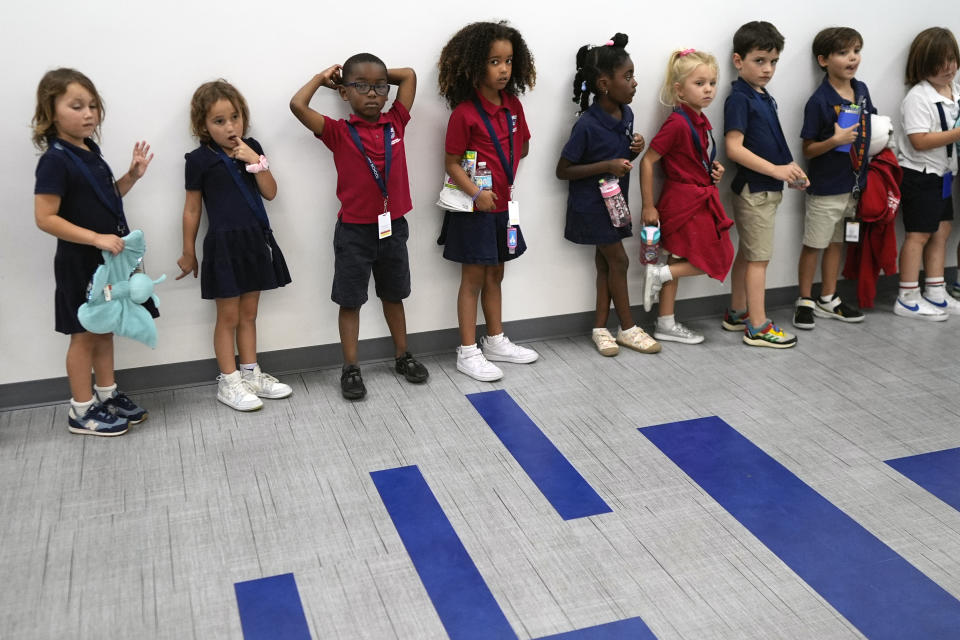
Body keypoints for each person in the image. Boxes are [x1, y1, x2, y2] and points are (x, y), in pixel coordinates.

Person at [290, 55, 428, 399]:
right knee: (350, 301)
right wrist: (325, 77)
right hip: (354, 232)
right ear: (344, 93)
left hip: (393, 227)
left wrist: (372, 73)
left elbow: (409, 75)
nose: (372, 93)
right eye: (361, 86)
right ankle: (350, 368)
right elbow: (297, 104)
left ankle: (402, 356)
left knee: (394, 295)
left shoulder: (396, 122)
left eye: (379, 86)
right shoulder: (338, 132)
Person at [32, 68, 154, 436]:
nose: (88, 114)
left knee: (105, 329)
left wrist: (131, 176)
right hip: (81, 261)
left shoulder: (89, 151)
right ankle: (81, 411)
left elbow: (104, 199)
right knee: (84, 333)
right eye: (76, 106)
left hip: (107, 262)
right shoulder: (54, 160)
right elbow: (45, 218)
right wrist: (96, 238)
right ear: (51, 113)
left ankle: (107, 395)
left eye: (93, 106)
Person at [177, 80, 293, 411]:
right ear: (203, 125)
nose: (231, 127)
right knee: (227, 315)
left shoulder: (252, 146)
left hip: (254, 241)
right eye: (219, 121)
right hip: (224, 245)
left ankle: (251, 373)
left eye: (235, 117)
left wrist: (255, 161)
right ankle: (229, 381)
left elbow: (270, 192)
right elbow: (192, 209)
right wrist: (188, 250)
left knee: (250, 313)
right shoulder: (199, 160)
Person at [437, 21, 540, 381]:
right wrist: (477, 192)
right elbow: (450, 162)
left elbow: (523, 146)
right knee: (473, 278)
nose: (504, 69)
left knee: (497, 272)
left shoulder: (513, 105)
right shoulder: (464, 113)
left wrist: (502, 176)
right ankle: (467, 351)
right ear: (474, 65)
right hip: (474, 209)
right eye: (495, 61)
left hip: (503, 208)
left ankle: (494, 340)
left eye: (509, 61)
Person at [556, 33, 661, 357]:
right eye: (627, 76)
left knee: (605, 265)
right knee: (620, 260)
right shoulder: (586, 125)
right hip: (592, 208)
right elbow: (563, 170)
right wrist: (607, 165)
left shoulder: (626, 115)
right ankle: (628, 327)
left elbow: (622, 152)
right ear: (604, 83)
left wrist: (636, 145)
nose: (635, 83)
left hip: (615, 206)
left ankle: (601, 328)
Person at [638, 49, 733, 345]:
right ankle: (661, 273)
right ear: (679, 90)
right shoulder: (678, 123)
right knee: (719, 255)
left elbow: (691, 159)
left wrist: (712, 170)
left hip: (696, 195)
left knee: (678, 255)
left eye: (712, 83)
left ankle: (665, 322)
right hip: (684, 201)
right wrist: (648, 204)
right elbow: (648, 161)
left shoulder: (699, 121)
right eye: (700, 83)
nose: (708, 89)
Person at [723, 21, 804, 348]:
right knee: (759, 259)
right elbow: (734, 148)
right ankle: (757, 326)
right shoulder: (739, 98)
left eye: (773, 61)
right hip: (754, 190)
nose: (768, 69)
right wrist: (775, 170)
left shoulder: (762, 96)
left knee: (749, 252)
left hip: (766, 187)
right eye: (760, 61)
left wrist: (791, 170)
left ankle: (737, 311)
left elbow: (770, 141)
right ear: (738, 60)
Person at [794, 27, 874, 330]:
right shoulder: (819, 100)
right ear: (824, 60)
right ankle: (804, 300)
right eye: (843, 53)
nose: (852, 58)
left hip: (854, 186)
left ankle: (829, 296)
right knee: (814, 243)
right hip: (826, 188)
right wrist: (835, 139)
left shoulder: (862, 89)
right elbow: (808, 148)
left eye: (855, 50)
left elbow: (868, 127)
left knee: (838, 243)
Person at [893, 27, 960, 321]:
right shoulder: (918, 97)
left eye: (952, 60)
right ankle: (907, 296)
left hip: (944, 174)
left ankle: (935, 289)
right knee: (918, 235)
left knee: (942, 230)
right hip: (920, 175)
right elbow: (919, 141)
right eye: (939, 62)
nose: (948, 68)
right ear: (922, 65)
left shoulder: (954, 91)